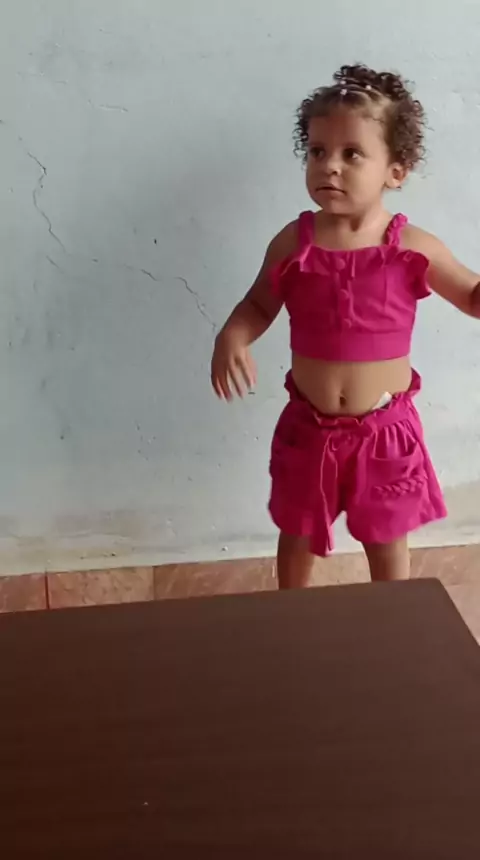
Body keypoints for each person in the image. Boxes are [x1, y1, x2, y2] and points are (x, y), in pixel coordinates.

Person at [211, 63, 480, 588]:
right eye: (317, 151)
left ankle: (392, 616)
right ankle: (291, 614)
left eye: (352, 154)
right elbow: (258, 304)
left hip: (384, 434)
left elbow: (471, 295)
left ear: (395, 172)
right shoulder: (293, 242)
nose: (329, 166)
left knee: (387, 537)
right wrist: (232, 335)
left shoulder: (412, 247)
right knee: (297, 531)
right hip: (307, 428)